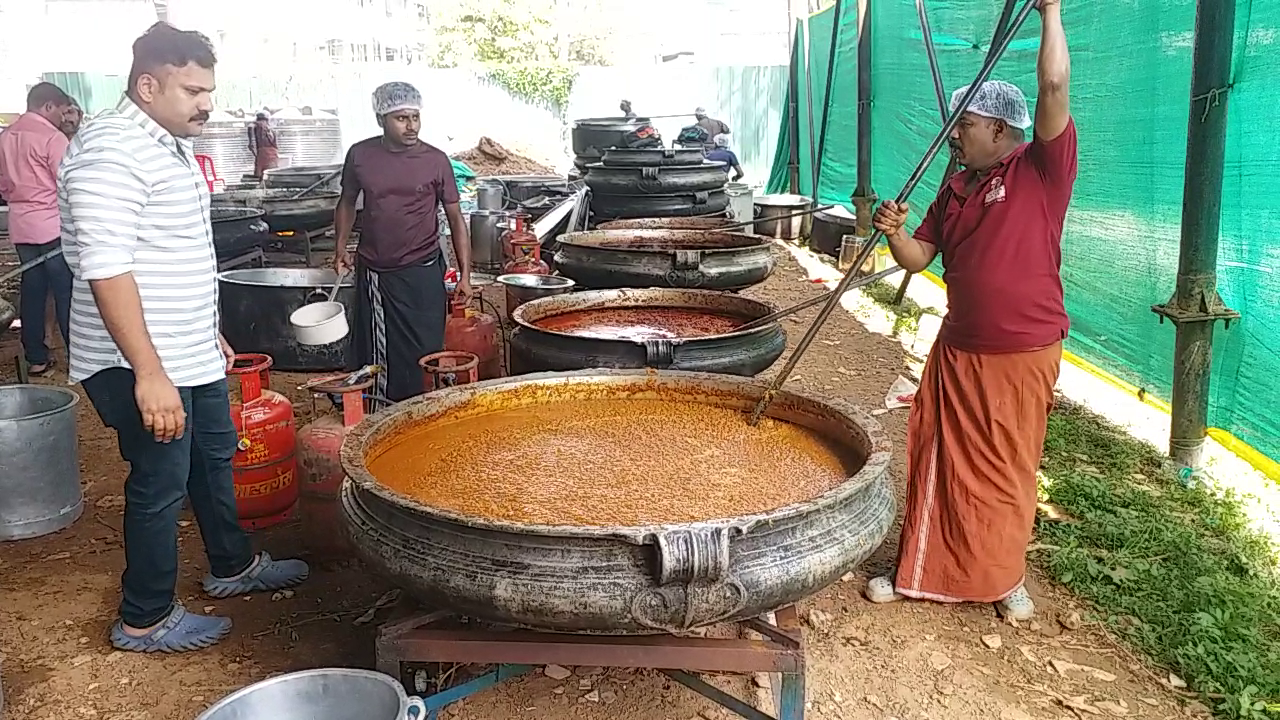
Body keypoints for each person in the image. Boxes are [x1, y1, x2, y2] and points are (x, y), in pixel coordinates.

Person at [59, 21, 309, 653]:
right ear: (148, 85)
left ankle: (231, 565)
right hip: (138, 361)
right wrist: (149, 372)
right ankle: (144, 617)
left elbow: (173, 253)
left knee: (212, 457)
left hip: (186, 350)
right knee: (159, 480)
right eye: (193, 90)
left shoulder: (162, 142)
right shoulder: (111, 150)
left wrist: (209, 334)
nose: (207, 103)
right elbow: (106, 267)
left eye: (209, 89)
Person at [865, 0, 1072, 621]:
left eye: (966, 124)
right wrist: (895, 231)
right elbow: (917, 258)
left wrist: (1051, 12)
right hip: (959, 347)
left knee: (1009, 469)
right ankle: (920, 569)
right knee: (937, 459)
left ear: (1003, 132)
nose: (953, 133)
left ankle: (1003, 575)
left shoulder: (1041, 168)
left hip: (1024, 349)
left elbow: (1054, 84)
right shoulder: (953, 186)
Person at [333, 81, 473, 405]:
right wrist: (341, 247)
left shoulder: (436, 161)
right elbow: (347, 201)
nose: (411, 126)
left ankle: (423, 404)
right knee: (380, 346)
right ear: (381, 119)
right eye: (401, 118)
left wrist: (465, 273)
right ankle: (383, 407)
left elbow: (456, 218)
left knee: (426, 341)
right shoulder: (361, 155)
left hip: (423, 267)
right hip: (378, 272)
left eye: (415, 117)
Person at [0, 81, 75, 376]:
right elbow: (67, 183)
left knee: (32, 289)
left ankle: (36, 357)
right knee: (66, 291)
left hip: (21, 224)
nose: (62, 118)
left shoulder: (6, 137)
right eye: (60, 111)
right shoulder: (52, 138)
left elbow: (3, 185)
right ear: (47, 106)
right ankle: (77, 358)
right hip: (52, 225)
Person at [247, 111, 278, 177]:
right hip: (273, 153)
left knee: (259, 174)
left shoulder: (258, 124)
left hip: (263, 152)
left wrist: (250, 142)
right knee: (271, 174)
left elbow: (250, 127)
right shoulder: (270, 128)